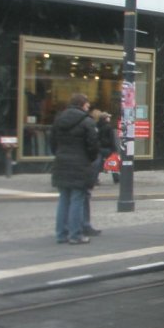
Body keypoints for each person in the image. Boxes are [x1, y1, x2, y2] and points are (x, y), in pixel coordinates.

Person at [51, 93, 99, 244]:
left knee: (64, 198)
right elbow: (93, 145)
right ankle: (75, 235)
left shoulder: (59, 119)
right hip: (80, 163)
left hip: (61, 162)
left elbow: (52, 142)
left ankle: (61, 234)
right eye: (87, 105)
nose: (88, 107)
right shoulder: (87, 121)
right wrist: (89, 159)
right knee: (77, 199)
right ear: (83, 104)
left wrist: (59, 154)